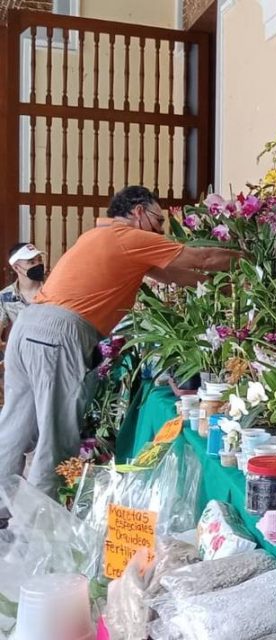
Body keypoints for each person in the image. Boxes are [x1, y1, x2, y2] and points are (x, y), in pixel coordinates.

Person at [0, 185, 241, 500]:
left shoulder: (98, 236)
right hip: (58, 336)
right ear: (139, 212)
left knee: (14, 427)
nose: (161, 230)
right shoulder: (129, 237)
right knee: (56, 437)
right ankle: (39, 523)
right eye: (158, 221)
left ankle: (4, 509)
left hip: (28, 327)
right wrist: (251, 259)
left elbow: (175, 275)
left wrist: (223, 289)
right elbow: (204, 258)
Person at [0, 243, 46, 337]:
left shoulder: (52, 289)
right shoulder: (5, 296)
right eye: (32, 262)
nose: (39, 264)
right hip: (22, 344)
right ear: (16, 268)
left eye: (40, 260)